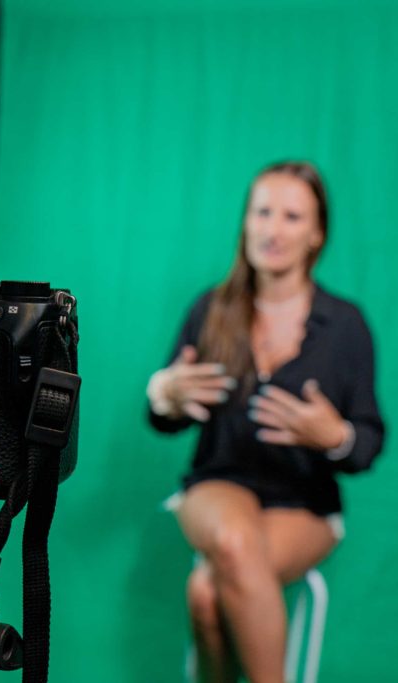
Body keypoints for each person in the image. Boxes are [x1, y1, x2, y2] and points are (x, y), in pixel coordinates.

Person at [147, 161, 384, 683]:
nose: (273, 230)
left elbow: (368, 442)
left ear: (317, 233)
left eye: (292, 216)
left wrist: (336, 436)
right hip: (218, 486)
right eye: (263, 212)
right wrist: (164, 393)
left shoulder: (346, 326)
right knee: (233, 541)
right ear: (246, 221)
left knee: (206, 592)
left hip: (305, 506)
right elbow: (163, 419)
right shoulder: (210, 309)